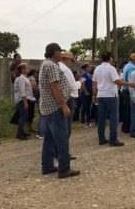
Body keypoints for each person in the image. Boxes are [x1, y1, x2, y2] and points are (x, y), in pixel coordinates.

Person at [39, 43, 79, 179]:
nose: (61, 55)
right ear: (54, 52)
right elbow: (54, 87)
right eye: (59, 52)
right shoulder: (51, 66)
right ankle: (64, 169)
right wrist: (64, 105)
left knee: (49, 140)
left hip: (48, 108)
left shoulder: (47, 64)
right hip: (55, 108)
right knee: (62, 139)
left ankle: (47, 166)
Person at [92, 51, 135, 146]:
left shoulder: (97, 69)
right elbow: (117, 81)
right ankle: (113, 139)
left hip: (101, 95)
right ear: (110, 58)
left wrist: (94, 94)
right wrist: (130, 84)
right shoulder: (111, 68)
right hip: (111, 95)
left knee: (101, 118)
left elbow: (94, 83)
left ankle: (101, 138)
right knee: (114, 118)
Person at [59, 51, 84, 137]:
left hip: (59, 98)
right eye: (71, 61)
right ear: (66, 59)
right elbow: (73, 86)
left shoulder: (56, 67)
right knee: (67, 125)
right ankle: (64, 148)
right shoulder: (66, 70)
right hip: (68, 98)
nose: (71, 63)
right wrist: (80, 82)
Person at [14, 63, 36, 140]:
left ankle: (22, 131)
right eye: (27, 67)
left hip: (26, 99)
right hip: (22, 99)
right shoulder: (21, 78)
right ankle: (19, 133)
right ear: (23, 69)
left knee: (25, 116)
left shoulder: (25, 78)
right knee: (23, 116)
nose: (28, 68)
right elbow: (22, 90)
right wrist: (25, 101)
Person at [121, 53, 135, 133]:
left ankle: (125, 126)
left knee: (126, 109)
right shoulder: (132, 67)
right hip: (129, 90)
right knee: (129, 109)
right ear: (134, 59)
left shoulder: (127, 65)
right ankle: (127, 127)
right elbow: (130, 79)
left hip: (125, 89)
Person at [9, 53, 22, 125]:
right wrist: (17, 82)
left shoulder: (20, 65)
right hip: (17, 84)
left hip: (21, 83)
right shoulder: (13, 65)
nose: (20, 58)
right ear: (15, 58)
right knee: (19, 101)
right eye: (18, 57)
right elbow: (12, 74)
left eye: (20, 57)